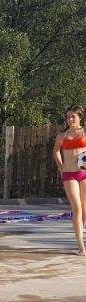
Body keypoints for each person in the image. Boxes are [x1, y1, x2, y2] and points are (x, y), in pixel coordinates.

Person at [52, 105, 86, 256]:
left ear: (80, 117)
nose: (70, 119)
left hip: (84, 173)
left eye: (73, 116)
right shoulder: (62, 136)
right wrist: (60, 166)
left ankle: (82, 232)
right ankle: (81, 246)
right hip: (69, 174)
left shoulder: (85, 132)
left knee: (85, 209)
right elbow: (55, 151)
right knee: (77, 208)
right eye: (68, 117)